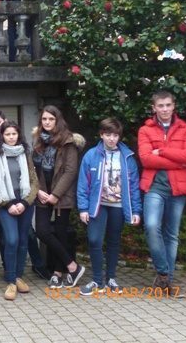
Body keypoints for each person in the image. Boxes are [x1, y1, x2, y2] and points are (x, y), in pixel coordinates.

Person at [138, 90, 186, 296]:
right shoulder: (145, 130)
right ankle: (164, 274)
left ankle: (167, 281)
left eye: (168, 105)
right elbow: (146, 159)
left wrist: (163, 152)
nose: (164, 109)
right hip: (155, 186)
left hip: (178, 188)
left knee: (171, 234)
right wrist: (178, 161)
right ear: (153, 108)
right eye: (160, 106)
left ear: (174, 106)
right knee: (152, 226)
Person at [77, 118, 142, 296]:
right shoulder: (91, 155)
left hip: (119, 206)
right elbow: (83, 184)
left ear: (119, 136)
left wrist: (136, 210)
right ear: (101, 135)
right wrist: (83, 208)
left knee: (114, 241)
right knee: (94, 240)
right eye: (108, 135)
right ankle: (97, 280)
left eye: (115, 135)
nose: (112, 139)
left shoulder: (128, 157)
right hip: (98, 206)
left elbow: (134, 186)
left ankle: (111, 279)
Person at [32, 105, 86, 289]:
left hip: (61, 196)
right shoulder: (38, 141)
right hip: (42, 193)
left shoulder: (68, 141)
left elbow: (70, 171)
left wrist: (56, 195)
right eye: (44, 119)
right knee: (42, 231)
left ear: (58, 120)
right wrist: (38, 190)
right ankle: (73, 266)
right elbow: (34, 169)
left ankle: (57, 272)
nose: (47, 122)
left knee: (61, 234)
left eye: (51, 119)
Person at [0, 121, 38, 300]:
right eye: (7, 134)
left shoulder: (26, 154)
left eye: (14, 134)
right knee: (12, 240)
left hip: (25, 203)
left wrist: (25, 203)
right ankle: (10, 281)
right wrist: (8, 204)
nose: (11, 137)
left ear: (18, 135)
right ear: (2, 136)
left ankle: (18, 277)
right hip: (5, 205)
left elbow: (34, 181)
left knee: (23, 240)